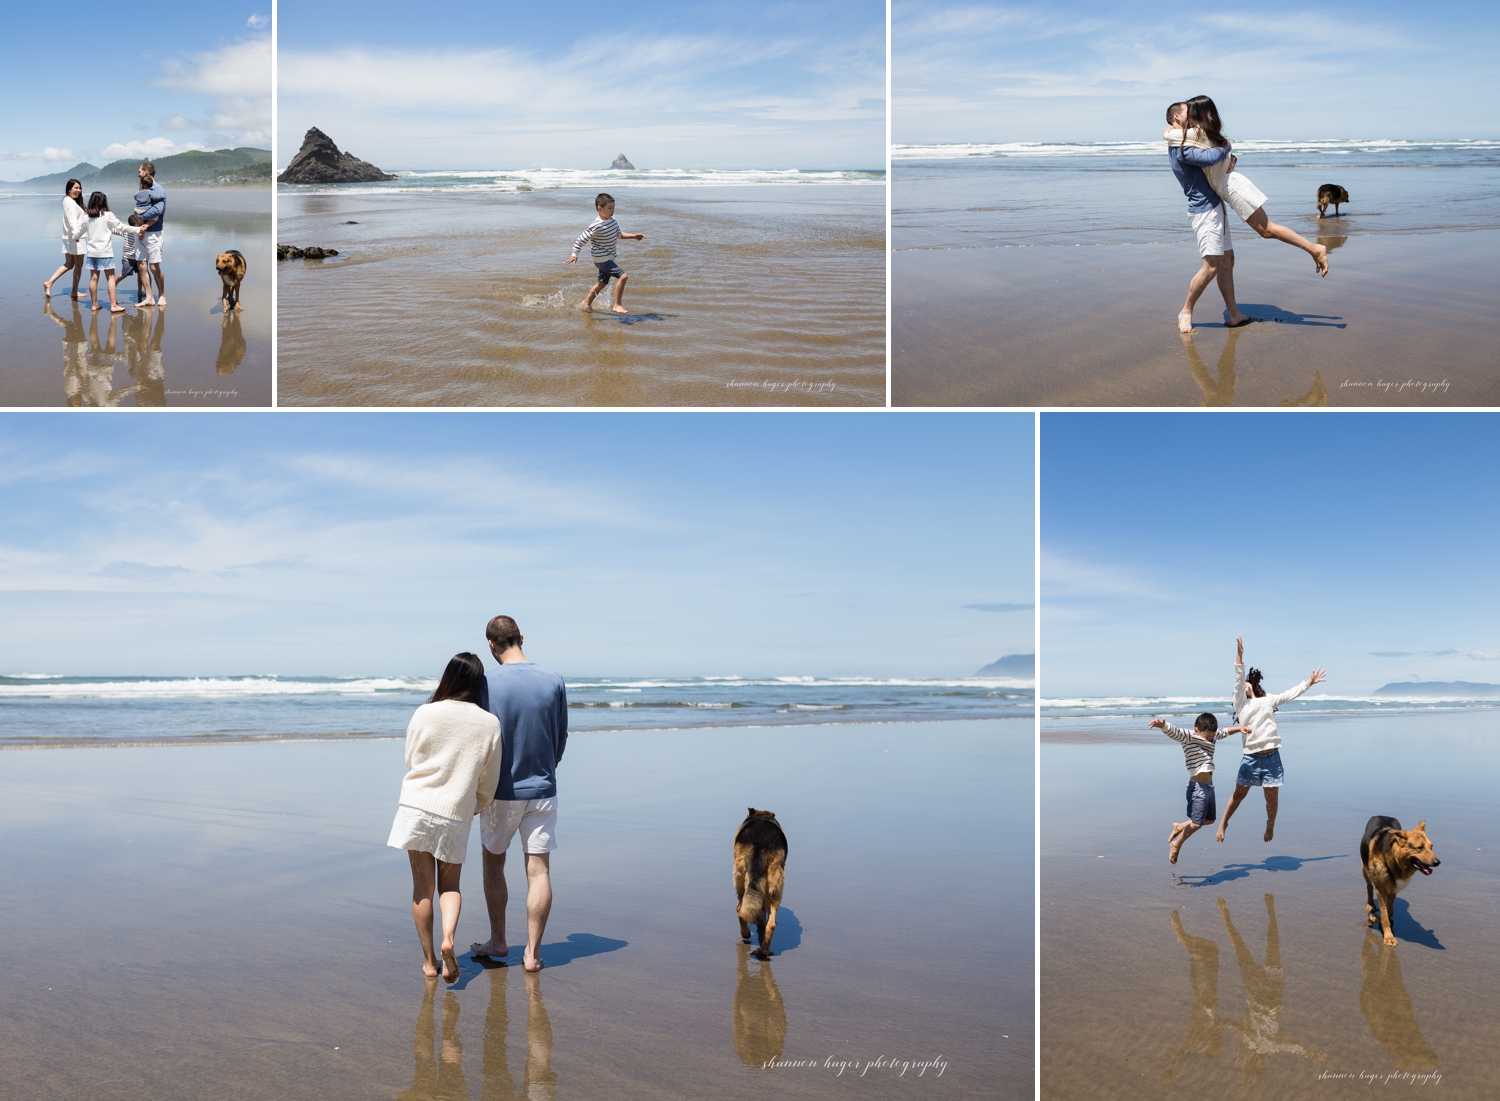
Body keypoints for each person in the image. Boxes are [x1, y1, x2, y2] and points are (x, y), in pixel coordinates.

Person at [387, 652, 502, 983]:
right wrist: (474, 805)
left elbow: (412, 758)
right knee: (450, 886)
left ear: (448, 678)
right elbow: (488, 780)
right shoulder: (489, 723)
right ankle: (448, 937)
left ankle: (428, 962)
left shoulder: (425, 712)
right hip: (456, 812)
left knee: (422, 887)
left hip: (417, 806)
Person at [469, 616, 568, 973]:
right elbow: (560, 737)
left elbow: (478, 738)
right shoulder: (553, 679)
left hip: (501, 790)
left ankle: (498, 941)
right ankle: (532, 953)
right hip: (543, 786)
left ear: (491, 645)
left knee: (494, 862)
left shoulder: (486, 682)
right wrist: (545, 767)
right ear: (521, 637)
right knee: (538, 870)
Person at [1167, 96, 1329, 279]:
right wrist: (1229, 153)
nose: (1190, 119)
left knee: (1267, 229)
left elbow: (1206, 154)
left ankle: (1314, 249)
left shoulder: (1196, 134)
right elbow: (1182, 138)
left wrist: (1227, 149)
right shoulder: (1198, 134)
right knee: (1267, 230)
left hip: (1231, 186)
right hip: (1227, 186)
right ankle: (1313, 249)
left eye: (1192, 113)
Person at [1217, 636, 1327, 844]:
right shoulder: (1240, 704)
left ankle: (1270, 823)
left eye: (1248, 684)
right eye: (1243, 686)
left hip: (1271, 757)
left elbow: (1289, 695)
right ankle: (1224, 823)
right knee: (1239, 794)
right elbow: (1238, 678)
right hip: (1251, 757)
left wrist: (1308, 683)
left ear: (1254, 686)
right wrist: (1240, 655)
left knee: (1271, 799)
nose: (1244, 686)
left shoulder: (1269, 700)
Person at [1165, 102, 1249, 334]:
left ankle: (1234, 314)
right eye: (1188, 113)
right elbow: (1210, 157)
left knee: (1227, 261)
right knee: (1211, 267)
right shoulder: (1180, 147)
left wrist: (1231, 157)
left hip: (1215, 208)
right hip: (1204, 211)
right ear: (1177, 117)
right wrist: (1227, 146)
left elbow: (1214, 154)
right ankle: (1186, 310)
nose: (1193, 117)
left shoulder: (1187, 140)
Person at [1150, 712, 1250, 863]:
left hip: (1209, 787)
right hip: (1197, 787)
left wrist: (1240, 728)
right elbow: (1175, 732)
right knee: (1196, 823)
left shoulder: (1213, 735)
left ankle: (1179, 827)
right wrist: (1163, 725)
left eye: (1212, 736)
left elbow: (1224, 732)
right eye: (1208, 736)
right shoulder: (1189, 736)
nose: (1211, 739)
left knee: (1209, 820)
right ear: (1196, 730)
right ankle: (1176, 845)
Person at [566, 192, 646, 313]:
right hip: (601, 258)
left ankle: (586, 303)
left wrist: (634, 236)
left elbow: (619, 234)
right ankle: (617, 305)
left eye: (613, 208)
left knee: (602, 283)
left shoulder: (613, 221)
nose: (612, 211)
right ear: (600, 208)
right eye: (609, 208)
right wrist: (574, 254)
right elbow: (580, 240)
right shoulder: (596, 225)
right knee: (623, 276)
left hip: (608, 258)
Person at [70, 192, 139, 314]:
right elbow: (122, 227)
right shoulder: (107, 215)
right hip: (105, 252)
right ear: (103, 202)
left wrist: (75, 237)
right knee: (110, 277)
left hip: (92, 253)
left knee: (93, 278)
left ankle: (94, 304)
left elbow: (79, 232)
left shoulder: (87, 217)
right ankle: (113, 305)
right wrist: (138, 229)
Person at [43, 179, 90, 301]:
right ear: (69, 189)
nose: (78, 190)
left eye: (79, 188)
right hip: (75, 237)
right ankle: (74, 291)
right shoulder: (69, 202)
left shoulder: (68, 201)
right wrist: (76, 235)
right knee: (78, 265)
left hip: (68, 237)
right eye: (75, 188)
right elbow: (72, 220)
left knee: (69, 264)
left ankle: (49, 283)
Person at [133, 163, 167, 305]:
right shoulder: (144, 187)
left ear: (146, 172)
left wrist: (140, 215)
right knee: (141, 265)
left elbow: (158, 210)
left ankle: (162, 295)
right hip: (140, 230)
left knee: (154, 267)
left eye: (140, 171)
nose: (138, 173)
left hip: (154, 232)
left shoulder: (158, 189)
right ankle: (149, 297)